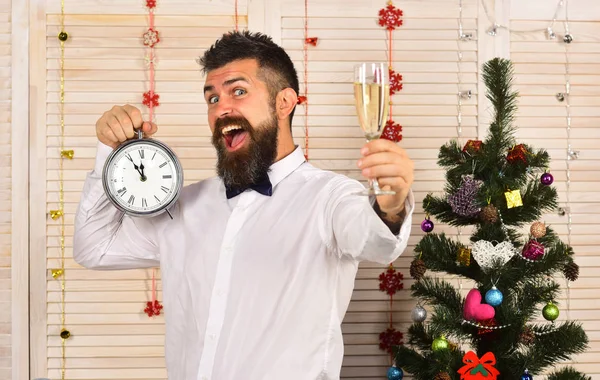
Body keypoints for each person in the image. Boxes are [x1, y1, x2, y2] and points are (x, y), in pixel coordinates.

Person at [73, 30, 415, 380]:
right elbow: (94, 247)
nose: (221, 108)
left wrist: (392, 204)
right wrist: (108, 152)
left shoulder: (330, 198)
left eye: (238, 91)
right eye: (211, 98)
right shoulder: (183, 206)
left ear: (284, 102)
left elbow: (376, 241)